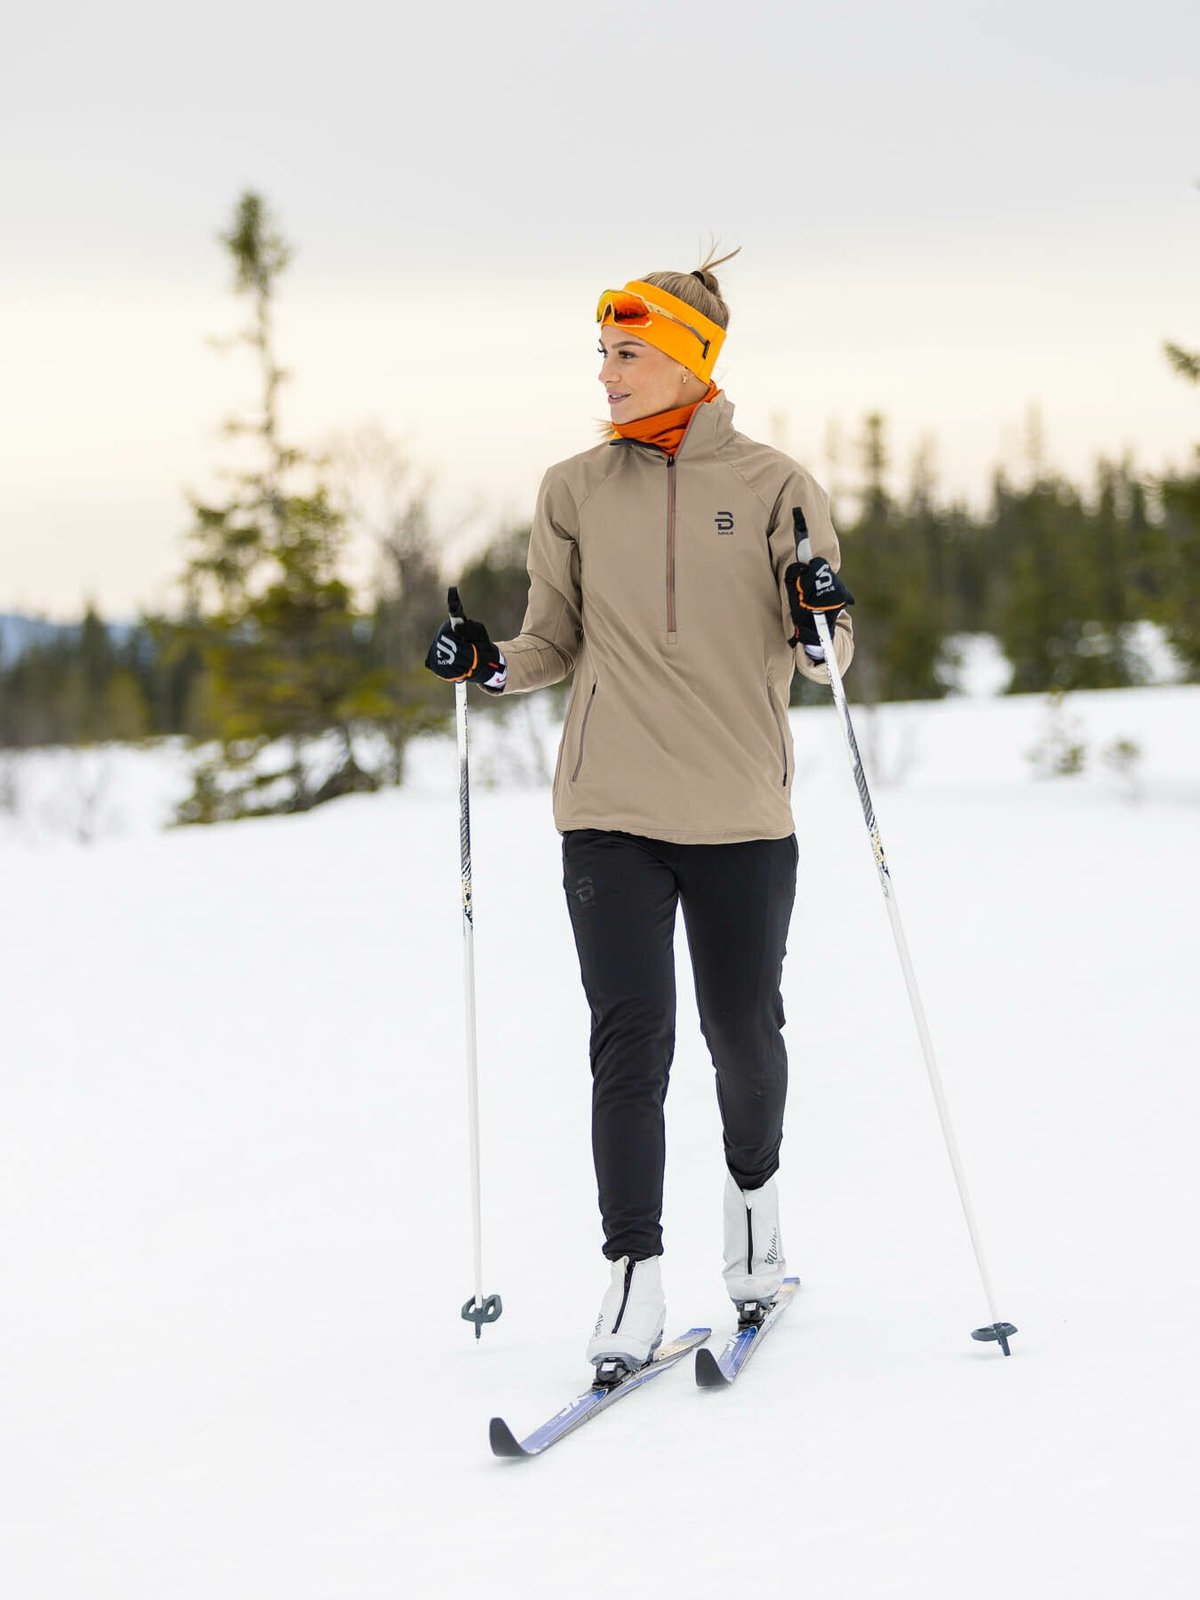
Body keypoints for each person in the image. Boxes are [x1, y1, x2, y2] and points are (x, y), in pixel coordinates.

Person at [426, 250, 854, 1379]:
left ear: (689, 360)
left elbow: (828, 655)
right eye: (601, 354)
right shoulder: (573, 488)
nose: (606, 375)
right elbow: (550, 643)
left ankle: (754, 1213)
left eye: (628, 354)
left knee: (742, 1038)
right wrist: (486, 667)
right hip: (608, 806)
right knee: (629, 1043)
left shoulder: (776, 484)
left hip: (739, 809)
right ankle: (632, 1276)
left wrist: (821, 617)